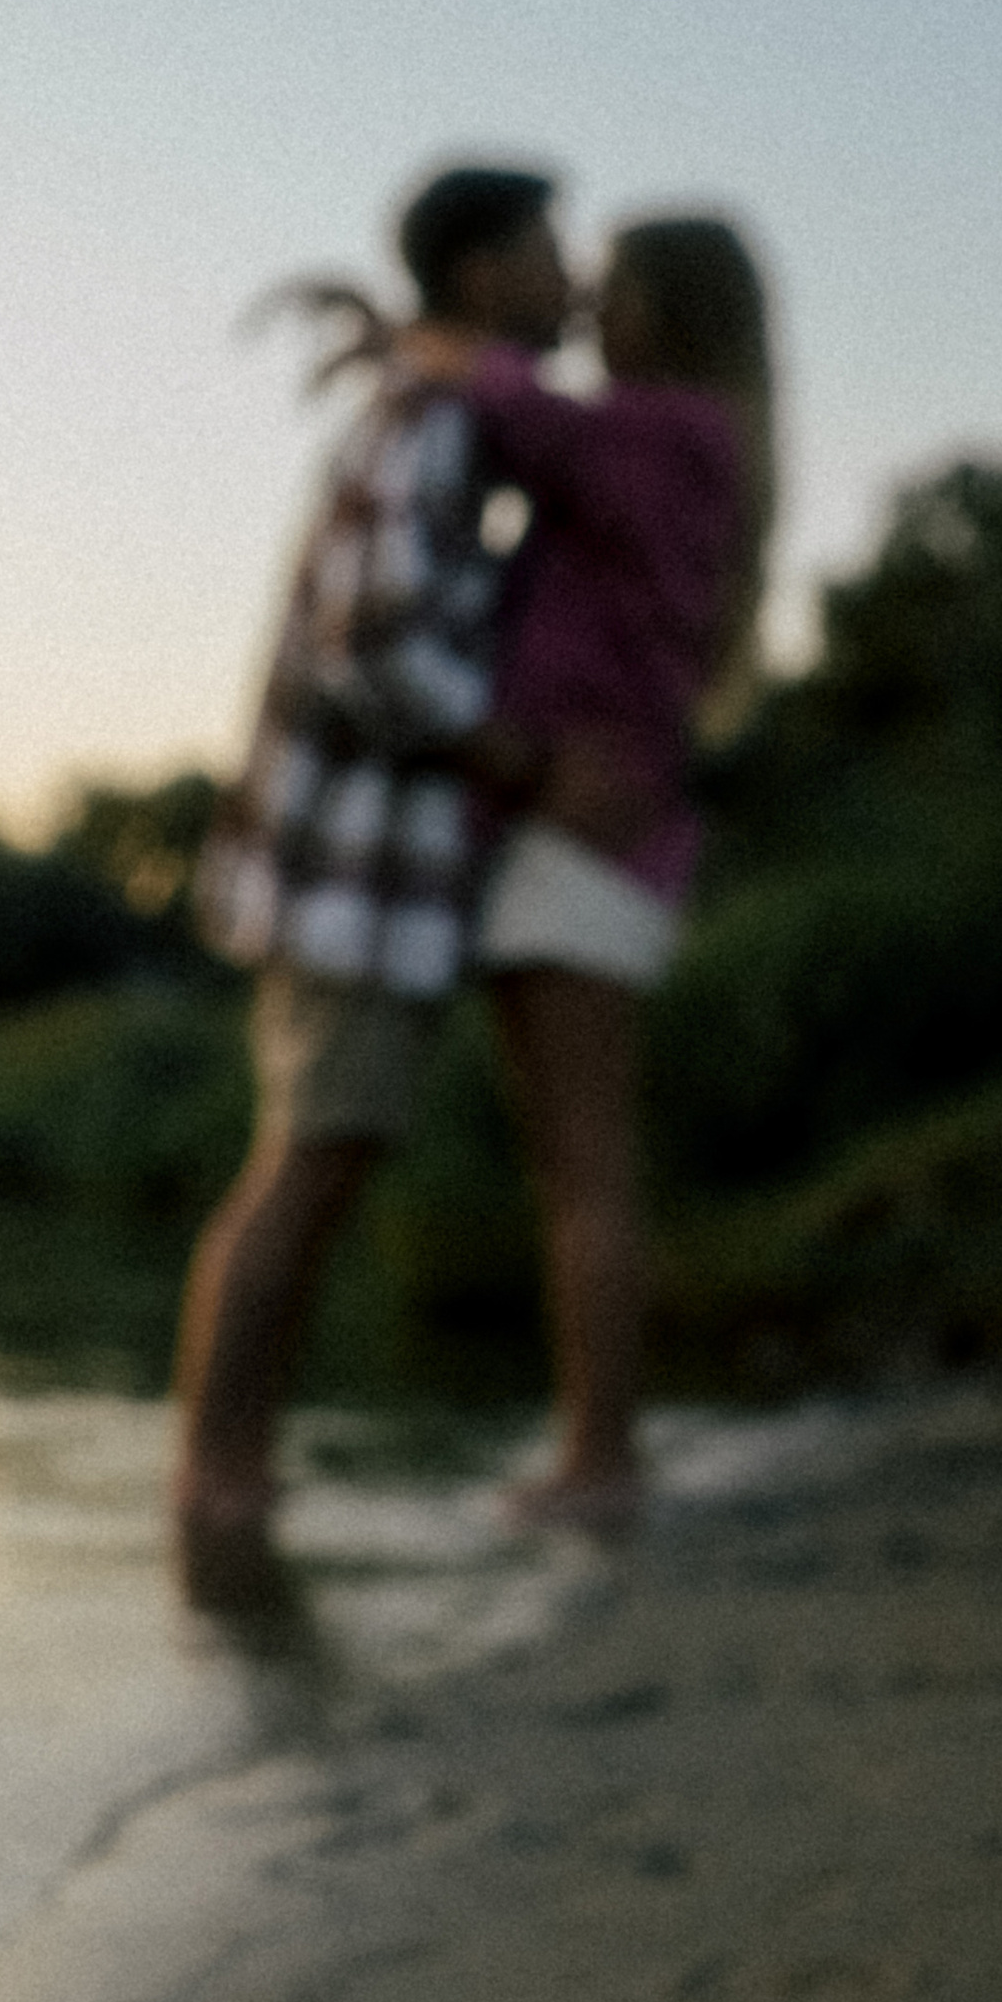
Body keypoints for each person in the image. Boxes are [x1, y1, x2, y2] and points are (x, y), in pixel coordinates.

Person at [171, 166, 570, 1558]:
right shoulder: (438, 415)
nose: (567, 277)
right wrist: (507, 751)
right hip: (351, 875)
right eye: (544, 252)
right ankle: (221, 1486)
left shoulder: (443, 408)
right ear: (479, 272)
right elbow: (376, 638)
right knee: (309, 1163)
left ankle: (231, 1478)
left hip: (362, 875)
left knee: (317, 1161)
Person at [401, 215, 775, 1532]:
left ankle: (599, 1465)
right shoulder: (691, 440)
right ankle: (596, 1449)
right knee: (576, 1165)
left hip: (591, 838)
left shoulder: (669, 432)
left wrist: (433, 344)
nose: (591, 310)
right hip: (588, 831)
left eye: (613, 291)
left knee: (586, 1168)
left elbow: (527, 420)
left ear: (671, 309)